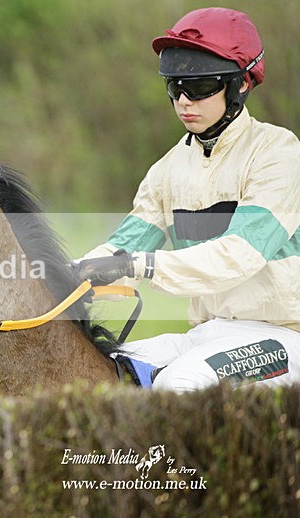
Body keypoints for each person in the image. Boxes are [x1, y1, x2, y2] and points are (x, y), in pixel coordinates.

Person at [75, 7, 300, 391]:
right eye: (174, 86)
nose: (183, 101)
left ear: (242, 83)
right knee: (97, 375)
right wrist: (56, 272)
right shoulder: (166, 168)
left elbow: (238, 256)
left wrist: (141, 266)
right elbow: (121, 248)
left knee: (179, 384)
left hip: (282, 336)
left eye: (197, 88)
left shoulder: (278, 152)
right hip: (207, 334)